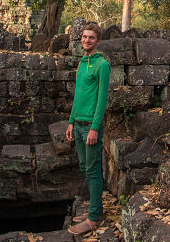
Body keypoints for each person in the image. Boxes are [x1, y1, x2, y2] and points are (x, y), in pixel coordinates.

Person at [66, 22, 110, 235]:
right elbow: (78, 95)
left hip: (92, 126)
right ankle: (95, 209)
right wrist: (71, 121)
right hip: (79, 124)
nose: (86, 40)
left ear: (97, 41)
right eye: (84, 37)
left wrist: (94, 127)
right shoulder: (83, 63)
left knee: (93, 170)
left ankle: (93, 218)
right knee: (85, 167)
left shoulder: (102, 65)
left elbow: (102, 100)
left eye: (90, 37)